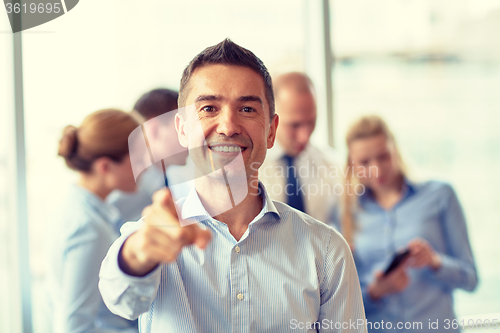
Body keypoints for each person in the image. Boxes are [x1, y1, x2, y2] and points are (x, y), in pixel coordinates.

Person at [99, 39, 367, 332]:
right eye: (209, 108)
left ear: (271, 131)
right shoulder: (151, 236)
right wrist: (137, 256)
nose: (228, 126)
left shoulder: (327, 251)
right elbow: (119, 297)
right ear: (182, 129)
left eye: (248, 109)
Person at [338, 115, 478, 332]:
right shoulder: (343, 214)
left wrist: (435, 262)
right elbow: (337, 306)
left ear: (396, 150)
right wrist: (375, 292)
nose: (376, 169)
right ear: (352, 164)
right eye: (365, 162)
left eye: (383, 157)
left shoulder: (440, 196)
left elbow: (471, 279)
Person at [44, 109, 140, 333]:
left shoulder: (77, 208)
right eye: (137, 158)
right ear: (105, 167)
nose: (144, 166)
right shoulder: (89, 228)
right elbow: (75, 327)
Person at [258, 72, 341, 224]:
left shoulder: (332, 165)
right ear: (270, 117)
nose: (305, 136)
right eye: (294, 125)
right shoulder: (248, 169)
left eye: (311, 122)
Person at [107, 89, 189, 224]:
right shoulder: (125, 189)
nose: (190, 138)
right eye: (181, 128)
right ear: (154, 129)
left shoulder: (171, 180)